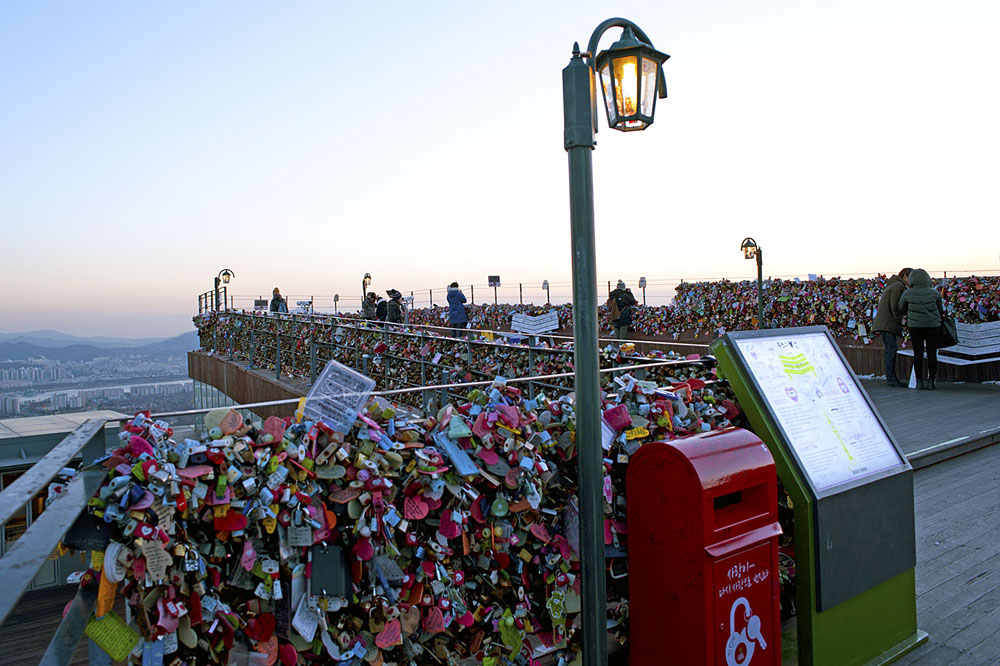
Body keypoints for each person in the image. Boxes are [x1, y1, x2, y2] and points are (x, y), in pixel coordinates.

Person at [899, 268, 944, 390]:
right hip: (933, 327)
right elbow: (941, 309)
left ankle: (919, 382)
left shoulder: (908, 293)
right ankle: (931, 382)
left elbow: (901, 308)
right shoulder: (934, 293)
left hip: (915, 327)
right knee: (932, 354)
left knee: (917, 354)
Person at [872, 268, 912, 387]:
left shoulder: (893, 284)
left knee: (890, 350)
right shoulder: (898, 286)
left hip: (885, 323)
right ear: (905, 276)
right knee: (891, 351)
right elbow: (894, 304)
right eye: (911, 277)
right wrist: (898, 319)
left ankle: (891, 378)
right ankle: (891, 379)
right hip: (888, 323)